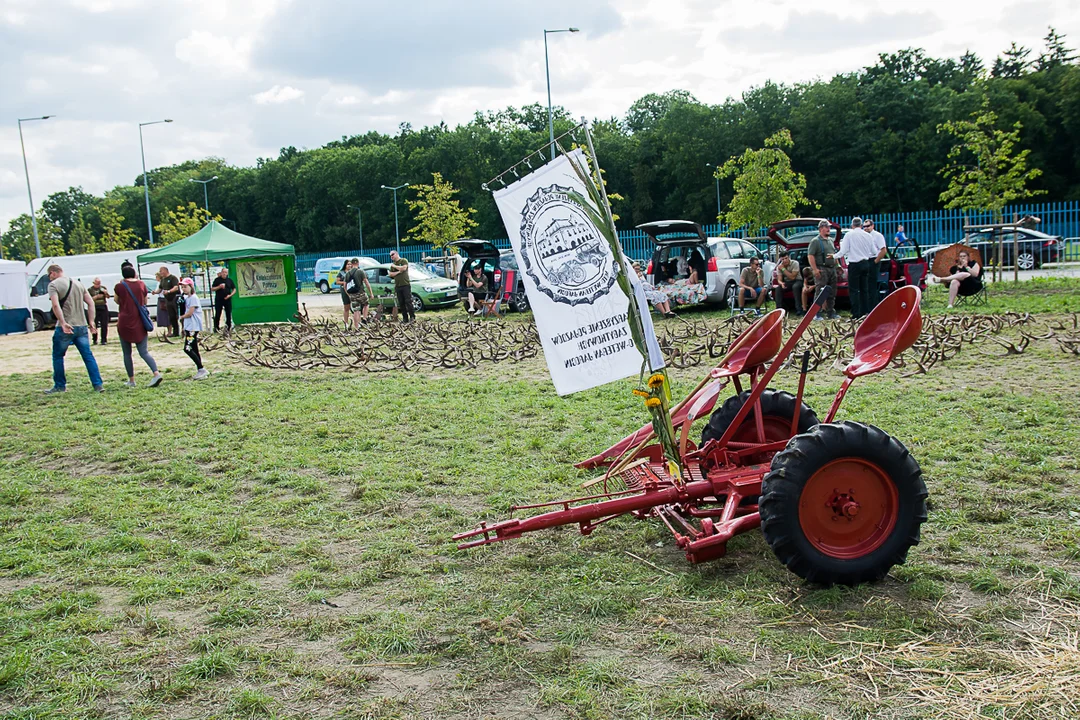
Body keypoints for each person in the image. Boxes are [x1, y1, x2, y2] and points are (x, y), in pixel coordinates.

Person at [45, 264, 103, 394]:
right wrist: (91, 321)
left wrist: (63, 322)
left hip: (65, 326)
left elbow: (55, 305)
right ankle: (97, 384)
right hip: (81, 325)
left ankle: (60, 385)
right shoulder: (78, 284)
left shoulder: (53, 285)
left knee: (58, 356)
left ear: (53, 273)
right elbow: (90, 303)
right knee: (88, 356)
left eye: (49, 276)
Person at [114, 265, 163, 388]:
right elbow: (145, 301)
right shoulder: (141, 284)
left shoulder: (120, 286)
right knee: (143, 351)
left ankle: (131, 380)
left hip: (124, 321)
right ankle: (156, 372)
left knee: (127, 353)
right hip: (140, 321)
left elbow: (116, 300)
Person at [806, 220, 839, 319]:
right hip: (822, 269)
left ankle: (831, 312)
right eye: (826, 227)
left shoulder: (831, 240)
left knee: (832, 291)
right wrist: (815, 269)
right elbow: (810, 256)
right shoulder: (815, 241)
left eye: (829, 227)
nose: (829, 229)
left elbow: (834, 255)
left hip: (832, 269)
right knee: (820, 292)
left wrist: (838, 266)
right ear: (821, 229)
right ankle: (816, 313)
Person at [178, 278, 209, 379]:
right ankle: (200, 369)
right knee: (194, 348)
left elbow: (190, 313)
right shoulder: (187, 298)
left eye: (185, 287)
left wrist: (181, 317)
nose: (184, 289)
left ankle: (201, 368)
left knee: (187, 348)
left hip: (193, 327)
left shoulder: (194, 298)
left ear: (191, 287)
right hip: (189, 326)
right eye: (182, 287)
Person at [153, 266, 180, 336]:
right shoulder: (163, 280)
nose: (160, 273)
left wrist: (169, 291)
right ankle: (175, 332)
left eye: (161, 271)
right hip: (167, 300)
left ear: (165, 270)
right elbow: (160, 289)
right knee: (171, 316)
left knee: (178, 315)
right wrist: (155, 292)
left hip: (175, 299)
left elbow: (176, 287)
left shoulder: (173, 278)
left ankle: (183, 330)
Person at [388, 250, 415, 323]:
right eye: (390, 255)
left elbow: (403, 268)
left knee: (408, 301)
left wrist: (396, 267)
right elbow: (390, 274)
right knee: (401, 303)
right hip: (398, 285)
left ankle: (412, 317)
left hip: (405, 284)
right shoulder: (393, 264)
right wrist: (398, 271)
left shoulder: (403, 260)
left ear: (396, 254)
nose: (391, 256)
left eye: (392, 254)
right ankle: (405, 318)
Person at [772, 250, 803, 314]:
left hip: (797, 280)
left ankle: (799, 309)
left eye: (786, 258)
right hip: (787, 282)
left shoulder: (795, 263)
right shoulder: (780, 266)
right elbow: (779, 279)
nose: (784, 261)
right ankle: (779, 310)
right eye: (782, 259)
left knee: (795, 287)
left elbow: (792, 277)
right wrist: (781, 283)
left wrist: (783, 269)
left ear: (789, 257)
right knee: (778, 288)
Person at [345, 258, 374, 325]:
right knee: (366, 304)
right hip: (361, 293)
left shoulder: (348, 273)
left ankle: (357, 327)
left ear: (351, 264)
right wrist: (371, 293)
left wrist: (348, 294)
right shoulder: (360, 271)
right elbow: (366, 283)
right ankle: (364, 318)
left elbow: (345, 286)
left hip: (352, 294)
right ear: (358, 263)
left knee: (356, 310)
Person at [210, 267, 237, 333]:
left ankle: (228, 327)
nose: (224, 274)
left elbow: (234, 289)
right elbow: (212, 289)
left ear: (227, 273)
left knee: (228, 314)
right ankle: (216, 328)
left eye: (226, 272)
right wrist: (219, 287)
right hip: (219, 299)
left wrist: (230, 295)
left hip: (227, 299)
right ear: (221, 273)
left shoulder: (229, 280)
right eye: (223, 272)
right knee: (218, 314)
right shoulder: (217, 280)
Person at [87, 277, 111, 345]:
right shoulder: (90, 290)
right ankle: (95, 339)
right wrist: (97, 296)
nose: (98, 285)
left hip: (103, 306)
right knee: (95, 324)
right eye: (96, 283)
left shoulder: (103, 288)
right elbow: (89, 299)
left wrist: (106, 293)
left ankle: (104, 339)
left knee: (104, 324)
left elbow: (108, 297)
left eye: (99, 283)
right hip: (95, 307)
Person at [334, 260, 354, 327]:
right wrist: (345, 283)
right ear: (345, 265)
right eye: (348, 264)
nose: (349, 266)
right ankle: (346, 322)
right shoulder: (341, 273)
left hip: (352, 290)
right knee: (346, 307)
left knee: (355, 307)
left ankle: (356, 322)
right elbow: (337, 282)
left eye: (350, 264)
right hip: (344, 290)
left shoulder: (353, 272)